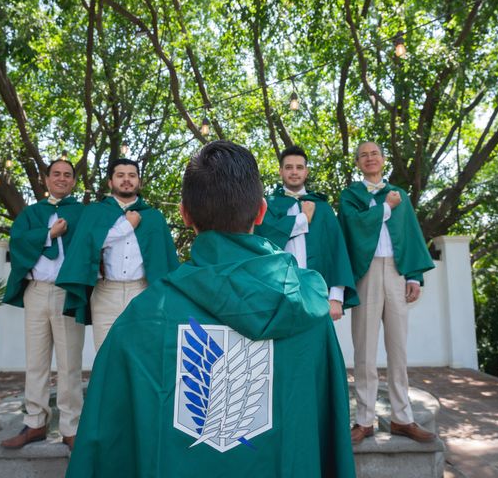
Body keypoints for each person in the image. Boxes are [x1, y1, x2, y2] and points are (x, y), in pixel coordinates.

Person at [66, 140, 356, 477]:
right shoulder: (310, 316)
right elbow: (329, 441)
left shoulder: (139, 319)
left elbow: (104, 450)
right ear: (261, 212)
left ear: (185, 214)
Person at [338, 141, 436, 445]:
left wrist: (415, 276)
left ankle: (402, 418)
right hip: (366, 273)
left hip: (395, 271)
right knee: (364, 351)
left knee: (398, 349)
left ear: (383, 160)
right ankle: (365, 421)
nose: (370, 158)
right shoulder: (351, 195)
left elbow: (410, 234)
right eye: (364, 155)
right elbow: (353, 228)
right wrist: (384, 207)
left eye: (375, 153)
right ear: (357, 163)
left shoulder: (400, 195)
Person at [0, 159, 85, 451]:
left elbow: (93, 245)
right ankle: (35, 423)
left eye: (67, 175)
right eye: (56, 174)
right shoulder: (31, 213)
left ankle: (71, 427)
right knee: (35, 363)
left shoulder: (82, 213)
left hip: (65, 292)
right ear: (46, 179)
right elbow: (17, 243)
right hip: (35, 292)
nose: (62, 179)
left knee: (69, 364)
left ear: (74, 182)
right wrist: (49, 234)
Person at [55, 158, 179, 351]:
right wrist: (127, 226)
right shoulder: (95, 212)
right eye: (120, 175)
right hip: (106, 293)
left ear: (139, 181)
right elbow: (88, 245)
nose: (126, 180)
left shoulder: (154, 217)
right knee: (106, 355)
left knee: (141, 355)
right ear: (110, 182)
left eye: (132, 175)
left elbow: (165, 260)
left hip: (141, 291)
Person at [255, 145, 358, 320]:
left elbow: (336, 250)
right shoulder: (269, 205)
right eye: (289, 167)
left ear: (306, 172)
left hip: (316, 289)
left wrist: (336, 297)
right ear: (280, 171)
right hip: (279, 287)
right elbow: (266, 235)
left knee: (316, 343)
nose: (294, 172)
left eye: (299, 167)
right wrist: (303, 219)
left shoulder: (323, 207)